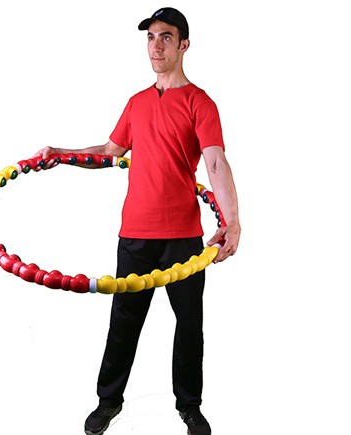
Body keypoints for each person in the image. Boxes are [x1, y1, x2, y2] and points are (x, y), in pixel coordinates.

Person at [34, 7, 240, 435]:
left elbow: (216, 162)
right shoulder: (136, 103)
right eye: (150, 37)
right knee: (123, 323)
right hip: (135, 234)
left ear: (184, 45)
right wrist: (62, 155)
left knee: (190, 327)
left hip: (183, 237)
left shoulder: (200, 102)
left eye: (166, 37)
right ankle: (108, 402)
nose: (156, 45)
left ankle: (189, 407)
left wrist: (233, 223)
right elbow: (109, 153)